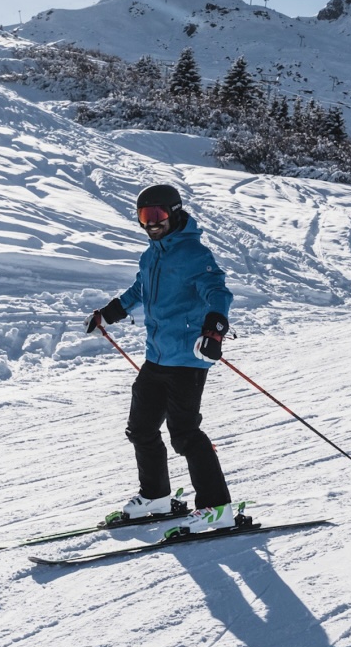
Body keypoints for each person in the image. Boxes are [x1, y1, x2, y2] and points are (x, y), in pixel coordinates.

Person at [86, 183, 243, 534]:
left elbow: (218, 292)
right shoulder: (151, 255)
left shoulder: (194, 254)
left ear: (173, 213)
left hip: (188, 358)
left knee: (184, 433)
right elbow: (140, 290)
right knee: (141, 429)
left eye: (157, 215)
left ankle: (217, 507)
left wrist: (214, 331)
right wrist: (108, 314)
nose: (151, 223)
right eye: (144, 216)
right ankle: (156, 496)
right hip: (156, 356)